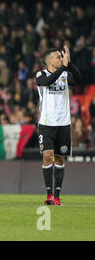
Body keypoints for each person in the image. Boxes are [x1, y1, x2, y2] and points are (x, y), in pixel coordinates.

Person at [36, 45, 82, 205]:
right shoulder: (41, 74)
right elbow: (47, 82)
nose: (61, 59)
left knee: (60, 159)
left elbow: (79, 79)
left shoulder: (65, 73)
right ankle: (49, 195)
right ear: (49, 61)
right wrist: (63, 67)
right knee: (48, 156)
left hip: (63, 123)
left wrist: (69, 65)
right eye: (58, 57)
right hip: (46, 123)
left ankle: (56, 197)